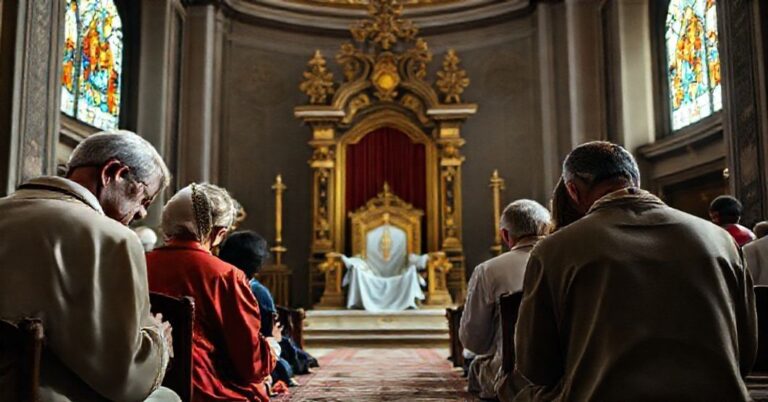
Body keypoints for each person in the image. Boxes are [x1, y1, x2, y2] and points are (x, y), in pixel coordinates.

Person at [512, 141, 757, 402]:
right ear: (636, 179)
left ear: (572, 190)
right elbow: (747, 352)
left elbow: (536, 367)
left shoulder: (554, 250)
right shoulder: (721, 240)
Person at [0, 130, 178, 401]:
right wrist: (158, 340)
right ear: (114, 173)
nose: (142, 213)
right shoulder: (114, 239)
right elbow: (124, 380)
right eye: (145, 199)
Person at [146, 183, 277, 402]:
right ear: (219, 233)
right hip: (203, 388)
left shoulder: (137, 263)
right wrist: (272, 349)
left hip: (142, 382)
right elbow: (250, 364)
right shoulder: (226, 275)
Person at [459, 200, 550, 400]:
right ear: (548, 228)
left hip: (513, 380)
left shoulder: (489, 270)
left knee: (476, 366)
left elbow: (473, 341)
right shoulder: (569, 261)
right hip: (568, 377)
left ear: (505, 235)